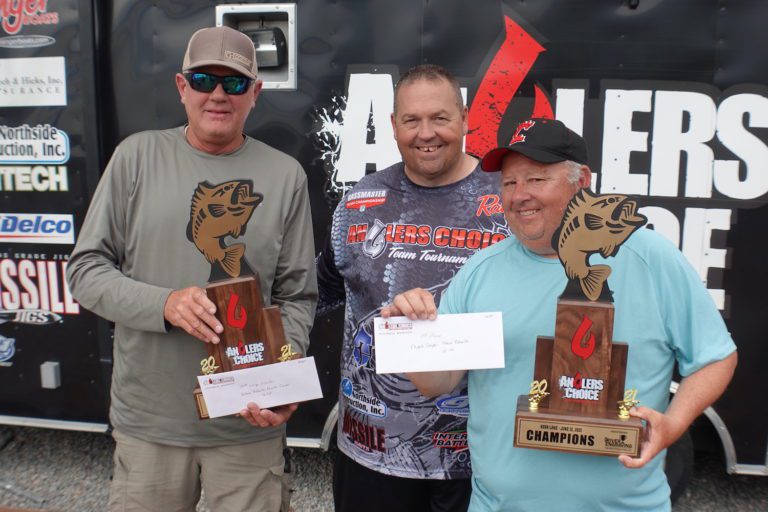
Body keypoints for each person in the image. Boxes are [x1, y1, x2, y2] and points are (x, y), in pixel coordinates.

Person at [384, 118, 737, 511]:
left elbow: (716, 357)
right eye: (509, 183)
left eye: (536, 180)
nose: (519, 196)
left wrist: (673, 424)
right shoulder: (480, 272)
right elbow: (440, 381)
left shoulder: (650, 258)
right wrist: (412, 336)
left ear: (581, 181)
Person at [67, 26, 317, 512]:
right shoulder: (135, 157)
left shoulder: (286, 175)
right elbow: (86, 270)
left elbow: (297, 296)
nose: (219, 94)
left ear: (256, 94)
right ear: (182, 88)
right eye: (204, 79)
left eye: (236, 83)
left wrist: (284, 376)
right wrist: (164, 304)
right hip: (151, 426)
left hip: (245, 425)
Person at [316, 64, 509, 511]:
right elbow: (316, 295)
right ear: (393, 126)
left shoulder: (508, 203)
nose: (427, 133)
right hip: (372, 454)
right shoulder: (360, 201)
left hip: (478, 460)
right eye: (412, 120)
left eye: (440, 118)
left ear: (464, 119)